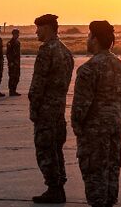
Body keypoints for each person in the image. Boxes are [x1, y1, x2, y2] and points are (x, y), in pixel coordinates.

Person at [72, 21, 121, 207]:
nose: (87, 39)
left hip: (94, 132)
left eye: (89, 36)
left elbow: (80, 107)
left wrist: (77, 127)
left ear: (95, 39)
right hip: (114, 127)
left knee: (94, 173)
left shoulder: (88, 69)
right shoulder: (119, 65)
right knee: (112, 170)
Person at [29, 14, 74, 204]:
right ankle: (58, 186)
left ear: (47, 28)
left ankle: (54, 187)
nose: (37, 31)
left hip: (46, 110)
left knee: (46, 150)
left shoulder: (47, 50)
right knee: (56, 149)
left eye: (39, 28)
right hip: (58, 109)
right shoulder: (65, 51)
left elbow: (38, 83)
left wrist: (34, 106)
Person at [7, 28, 22, 96]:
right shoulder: (10, 43)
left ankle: (14, 90)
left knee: (17, 77)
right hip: (12, 64)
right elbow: (8, 54)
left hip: (17, 63)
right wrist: (11, 62)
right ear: (13, 34)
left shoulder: (18, 42)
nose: (17, 35)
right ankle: (11, 90)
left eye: (18, 34)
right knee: (12, 77)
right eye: (16, 34)